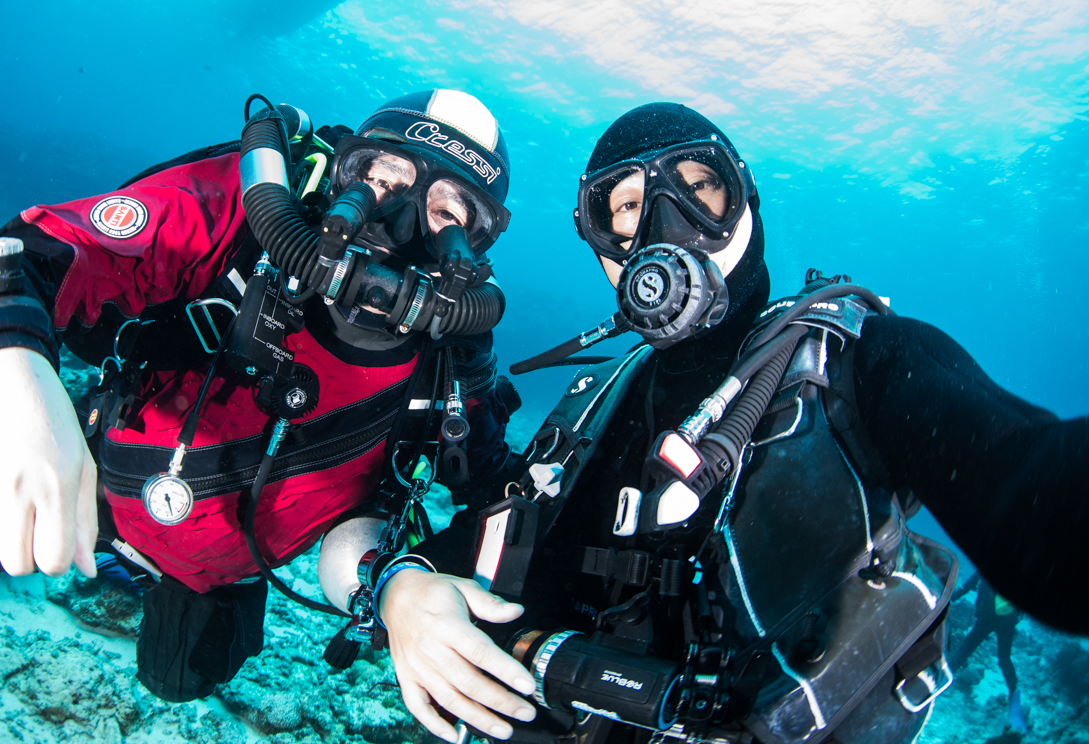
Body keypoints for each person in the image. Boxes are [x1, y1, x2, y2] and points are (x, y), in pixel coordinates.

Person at [372, 102, 1089, 744]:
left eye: (697, 188)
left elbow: (1037, 507)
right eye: (622, 209)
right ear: (598, 246)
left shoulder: (867, 361)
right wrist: (403, 587)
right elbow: (506, 542)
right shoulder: (605, 406)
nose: (662, 228)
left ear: (746, 202)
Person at [0, 88, 519, 703]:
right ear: (341, 170)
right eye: (381, 178)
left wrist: (403, 585)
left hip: (218, 572)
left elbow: (485, 475)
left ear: (477, 245)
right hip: (95, 478)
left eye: (448, 215)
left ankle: (142, 579)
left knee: (180, 682)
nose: (398, 226)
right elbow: (43, 252)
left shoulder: (452, 357)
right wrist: (5, 368)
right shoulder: (239, 223)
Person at [950, 572, 1027, 735]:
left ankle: (941, 680)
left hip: (988, 617)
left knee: (964, 651)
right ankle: (1014, 696)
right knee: (1005, 659)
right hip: (1008, 619)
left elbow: (966, 587)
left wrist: (949, 599)